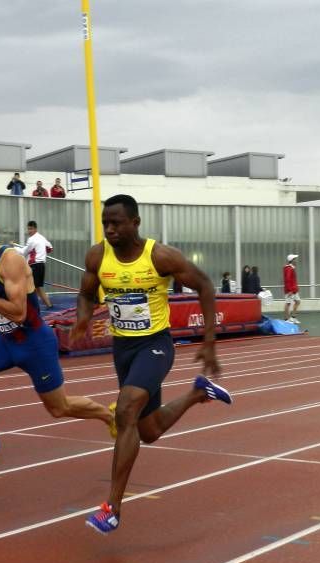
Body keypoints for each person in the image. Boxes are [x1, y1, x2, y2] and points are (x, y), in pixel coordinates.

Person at [72, 194, 232, 534]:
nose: (110, 229)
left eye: (117, 223)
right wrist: (83, 319)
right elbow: (86, 293)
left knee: (126, 410)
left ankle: (112, 507)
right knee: (149, 431)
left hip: (155, 346)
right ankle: (197, 393)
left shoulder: (159, 256)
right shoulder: (98, 256)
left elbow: (203, 284)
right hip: (123, 350)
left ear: (135, 223)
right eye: (106, 224)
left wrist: (209, 341)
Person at [0, 215, 113, 475]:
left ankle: (109, 416)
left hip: (34, 343)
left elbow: (19, 313)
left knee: (59, 408)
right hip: (5, 341)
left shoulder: (11, 261)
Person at [19, 220, 53, 310]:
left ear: (35, 229)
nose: (29, 231)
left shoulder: (31, 239)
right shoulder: (42, 238)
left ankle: (32, 307)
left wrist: (12, 248)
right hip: (41, 265)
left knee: (31, 288)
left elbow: (23, 252)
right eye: (28, 229)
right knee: (37, 288)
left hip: (34, 265)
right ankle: (49, 305)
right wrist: (42, 252)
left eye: (31, 229)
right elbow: (50, 248)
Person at [284, 254, 301, 323]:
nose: (296, 261)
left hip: (294, 290)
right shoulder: (288, 268)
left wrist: (295, 288)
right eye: (294, 259)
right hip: (290, 290)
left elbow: (292, 280)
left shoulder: (292, 268)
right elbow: (288, 280)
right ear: (291, 260)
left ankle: (293, 317)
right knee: (288, 303)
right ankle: (287, 319)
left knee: (298, 301)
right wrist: (290, 290)